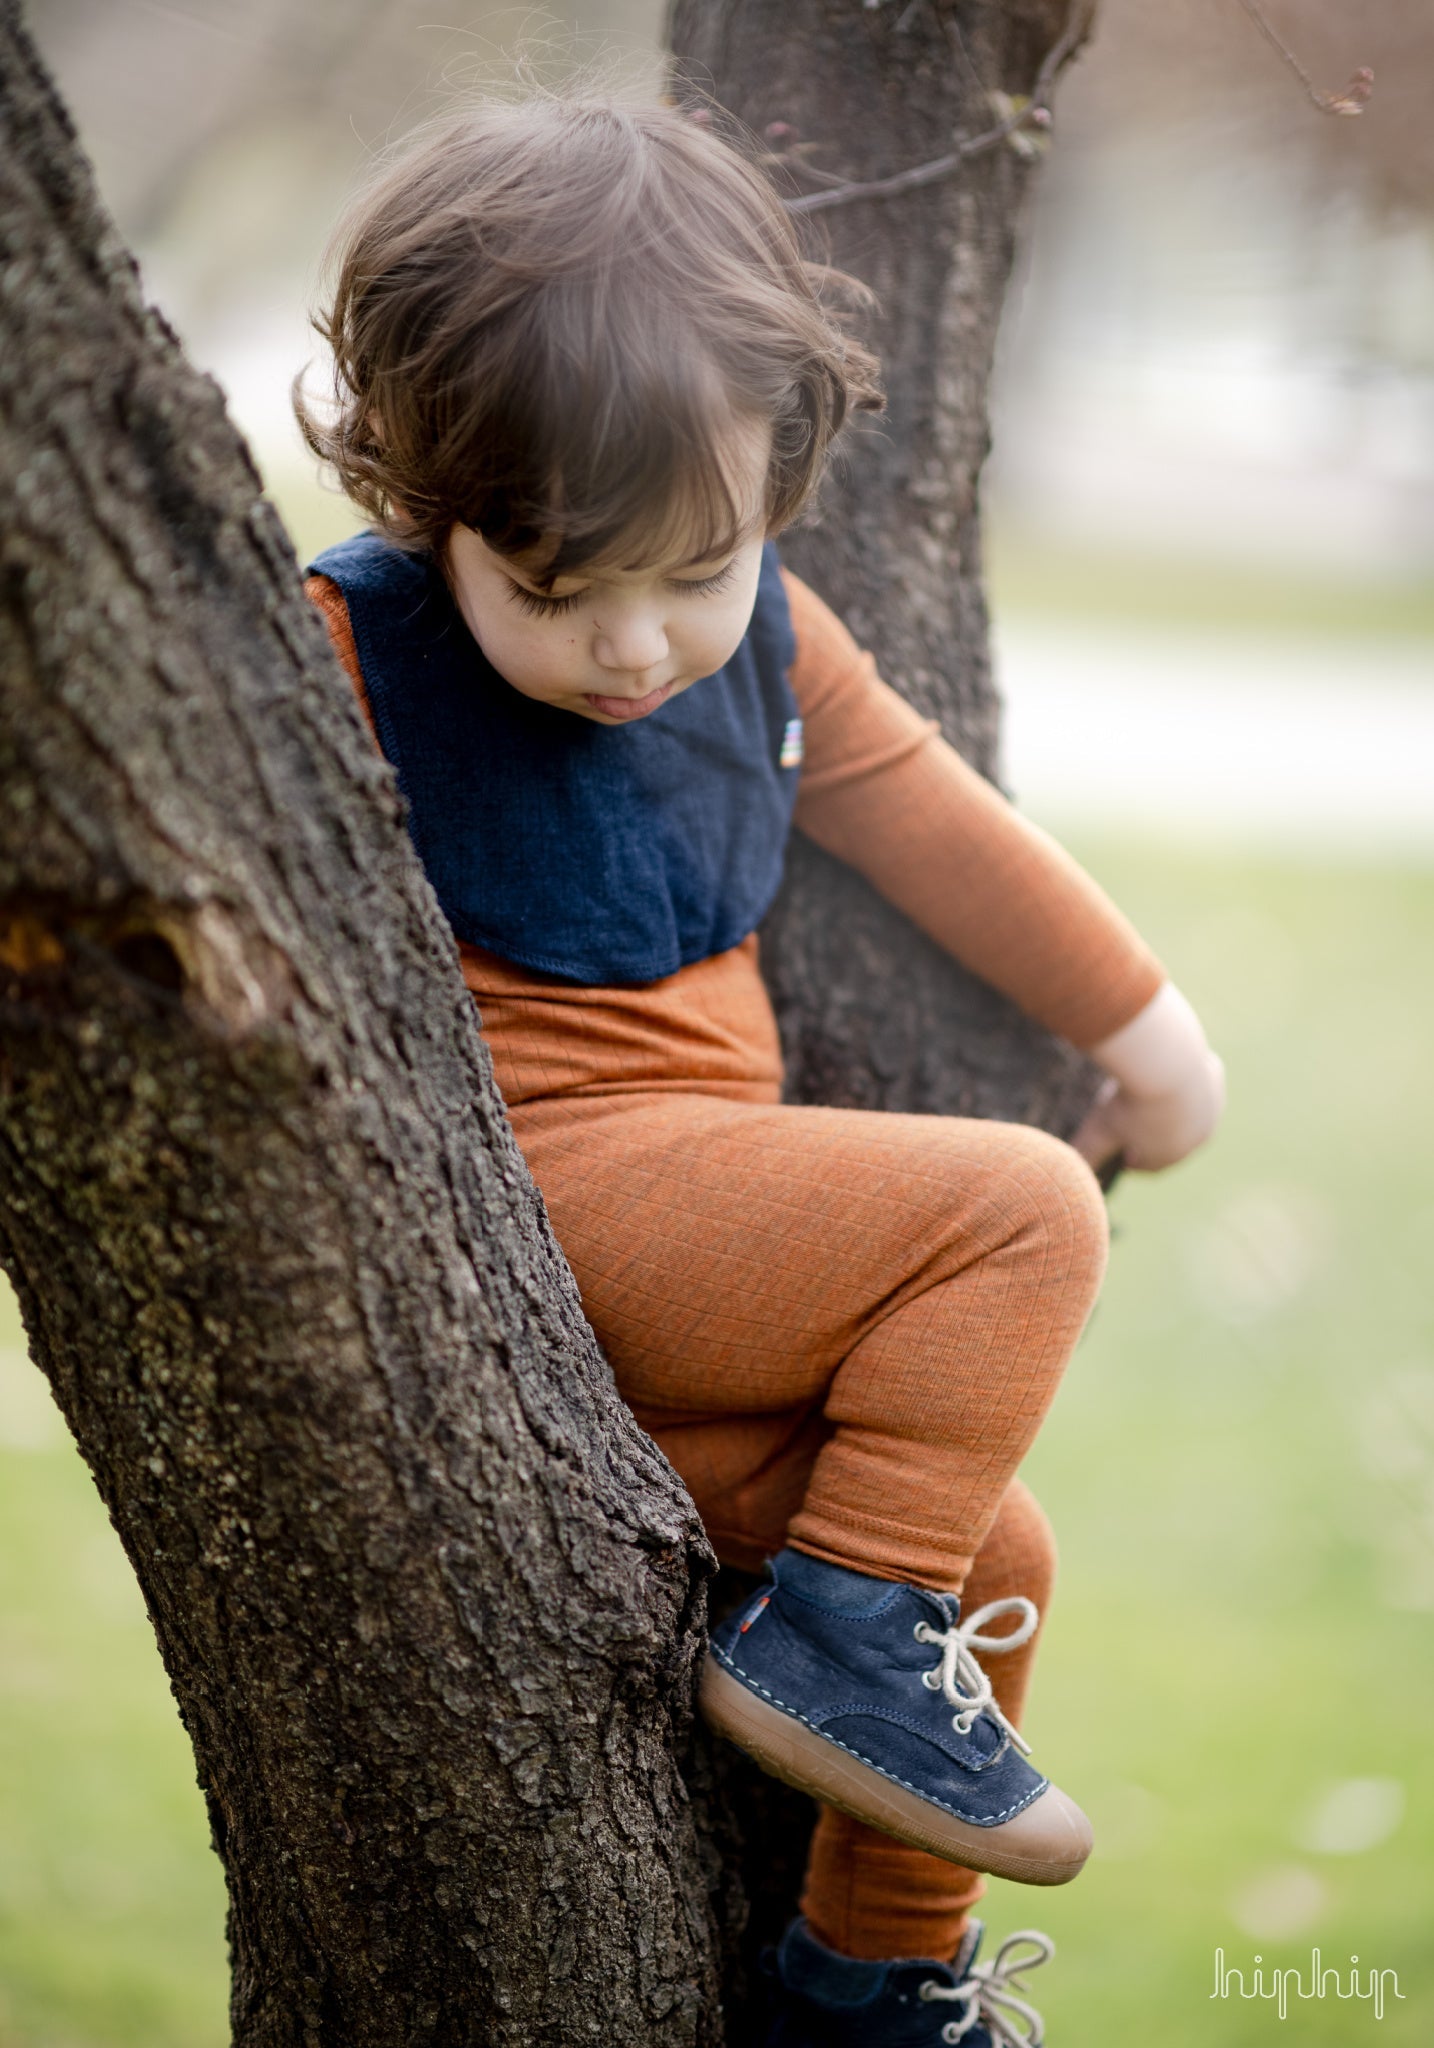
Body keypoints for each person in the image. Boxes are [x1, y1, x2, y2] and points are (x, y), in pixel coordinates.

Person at [297, 89, 1224, 2048]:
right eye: (554, 587)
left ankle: (872, 1988)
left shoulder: (766, 646)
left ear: (772, 490)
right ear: (427, 499)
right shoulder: (345, 653)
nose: (637, 644)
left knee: (995, 1547)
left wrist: (1151, 1033)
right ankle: (833, 1637)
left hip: (701, 1268)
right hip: (536, 1215)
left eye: (690, 575)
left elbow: (944, 829)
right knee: (1021, 1204)